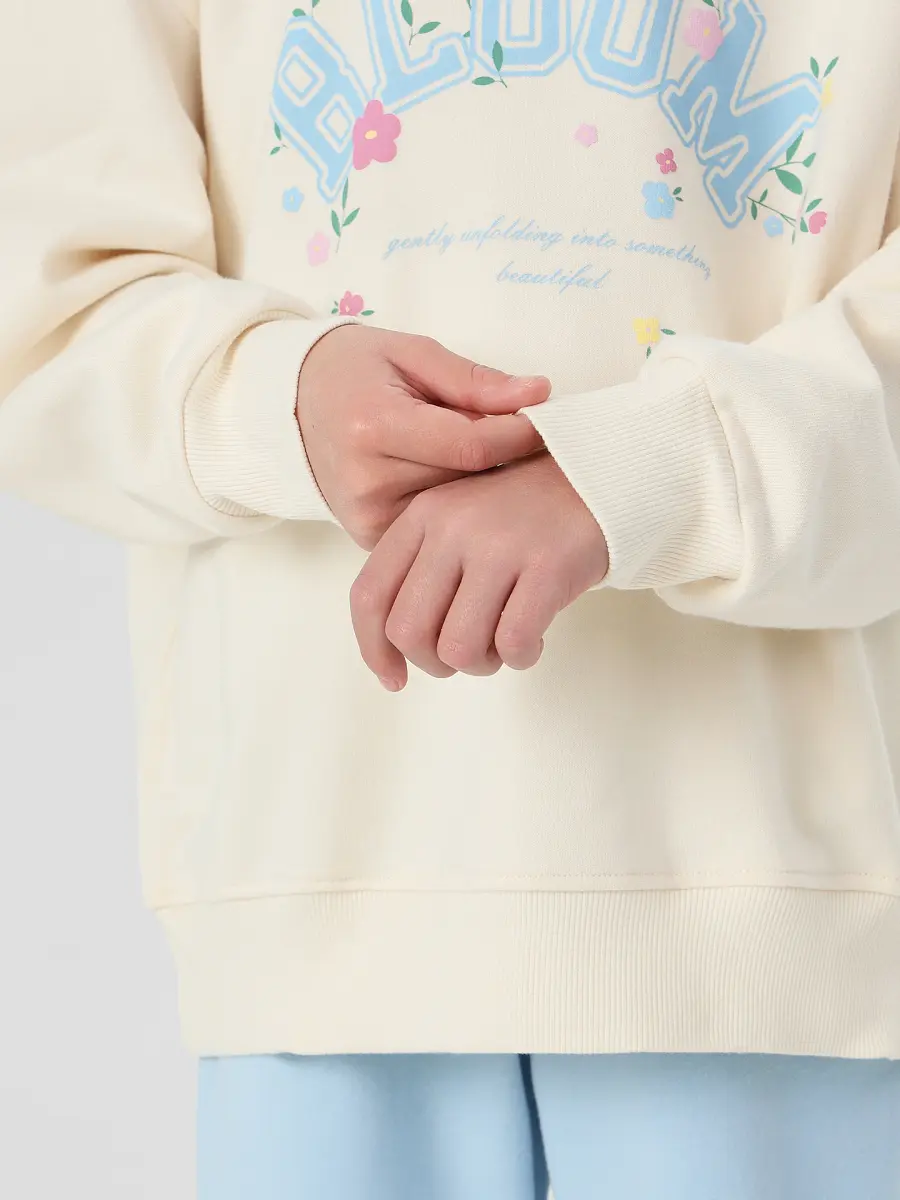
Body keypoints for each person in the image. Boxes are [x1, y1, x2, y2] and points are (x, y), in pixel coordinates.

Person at [2, 1, 900, 1197]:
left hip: (771, 919)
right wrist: (284, 397)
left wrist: (644, 474)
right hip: (325, 886)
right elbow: (46, 294)